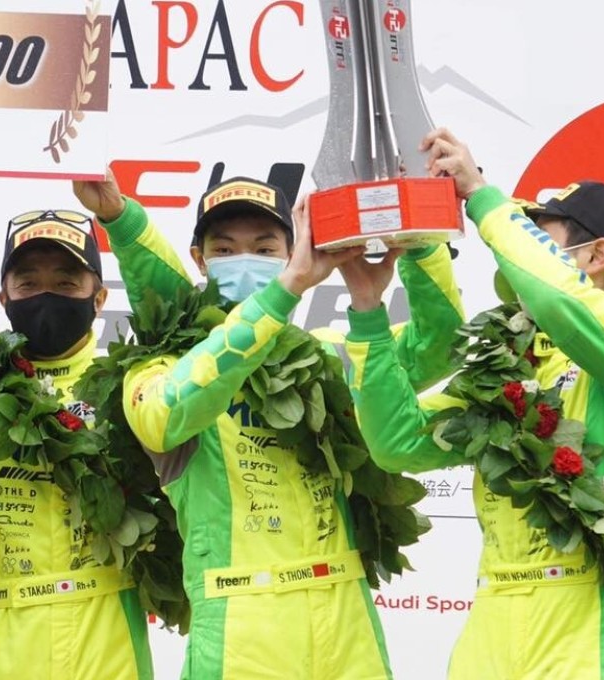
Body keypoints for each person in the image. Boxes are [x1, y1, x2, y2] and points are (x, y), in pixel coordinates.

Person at [112, 175, 465, 679]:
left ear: (292, 248)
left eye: (264, 246)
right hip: (241, 628)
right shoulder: (159, 368)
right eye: (225, 248)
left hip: (347, 623)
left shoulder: (327, 357)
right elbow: (162, 418)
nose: (245, 258)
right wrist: (286, 290)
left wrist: (418, 241)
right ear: (199, 259)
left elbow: (441, 344)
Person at [343, 128, 604, 679]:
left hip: (592, 636)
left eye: (538, 233)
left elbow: (561, 301)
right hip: (490, 630)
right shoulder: (509, 372)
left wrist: (482, 198)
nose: (515, 253)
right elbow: (397, 442)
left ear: (593, 255)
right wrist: (369, 310)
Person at [0, 206, 166, 680]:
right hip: (5, 637)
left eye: (66, 284)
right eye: (28, 285)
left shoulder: (131, 384)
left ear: (100, 297)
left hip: (110, 634)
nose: (46, 296)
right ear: (3, 298)